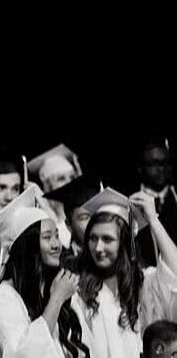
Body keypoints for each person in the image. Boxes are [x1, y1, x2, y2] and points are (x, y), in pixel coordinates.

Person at [0, 187, 90, 358]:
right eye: (47, 237)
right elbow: (22, 353)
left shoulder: (58, 287)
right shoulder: (0, 298)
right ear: (28, 246)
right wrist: (56, 299)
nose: (57, 244)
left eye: (56, 235)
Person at [72, 188, 177, 358]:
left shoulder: (145, 285)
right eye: (93, 238)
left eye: (107, 239)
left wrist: (153, 220)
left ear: (125, 243)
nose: (98, 248)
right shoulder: (80, 293)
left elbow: (175, 273)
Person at [43, 175, 101, 267]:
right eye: (85, 217)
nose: (94, 222)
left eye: (98, 214)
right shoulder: (60, 266)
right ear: (68, 225)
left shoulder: (119, 255)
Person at [136, 139, 177, 268]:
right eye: (154, 163)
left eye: (166, 163)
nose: (161, 168)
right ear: (141, 168)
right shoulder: (131, 203)